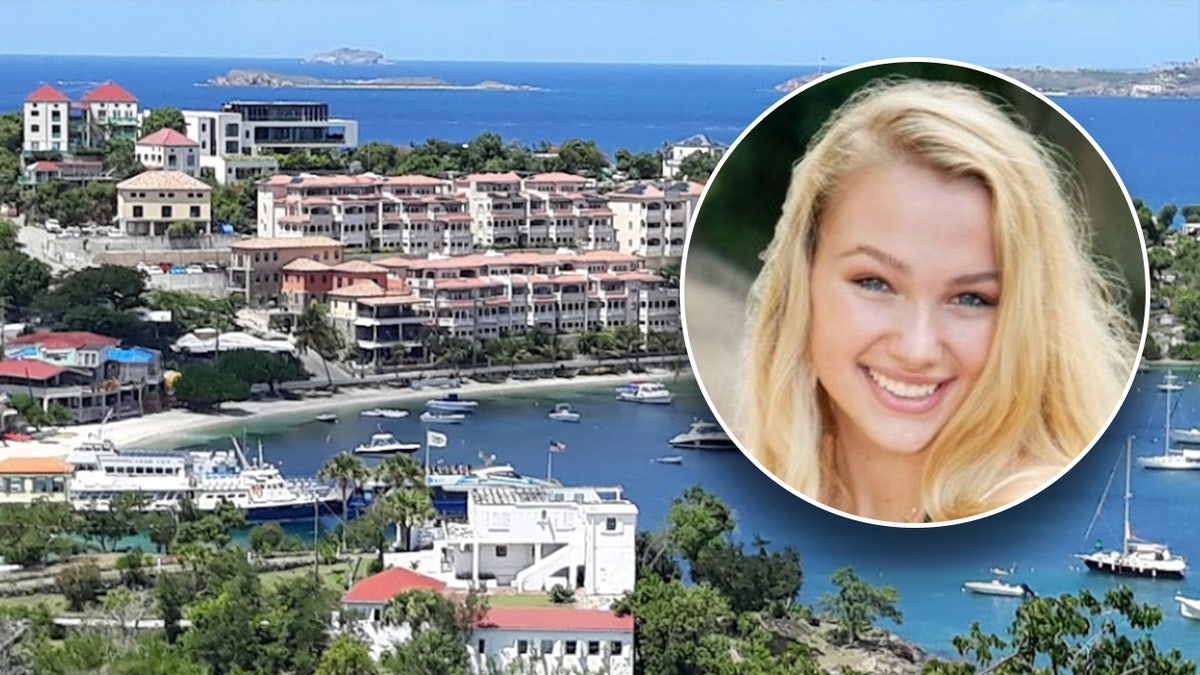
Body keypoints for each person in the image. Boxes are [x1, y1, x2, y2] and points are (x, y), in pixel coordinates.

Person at [740, 78, 1138, 524]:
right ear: (802, 280)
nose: (918, 348)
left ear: (1026, 319)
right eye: (875, 283)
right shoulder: (778, 482)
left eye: (970, 298)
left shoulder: (1022, 506)